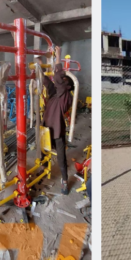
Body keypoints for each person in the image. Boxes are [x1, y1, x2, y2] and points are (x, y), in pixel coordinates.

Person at [42, 63, 74, 194]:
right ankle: (44, 170)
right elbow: (49, 84)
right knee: (43, 151)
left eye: (64, 81)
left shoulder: (66, 97)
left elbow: (58, 81)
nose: (59, 82)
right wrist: (40, 70)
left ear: (68, 86)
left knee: (61, 157)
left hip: (57, 130)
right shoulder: (55, 94)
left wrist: (59, 68)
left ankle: (65, 181)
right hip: (46, 129)